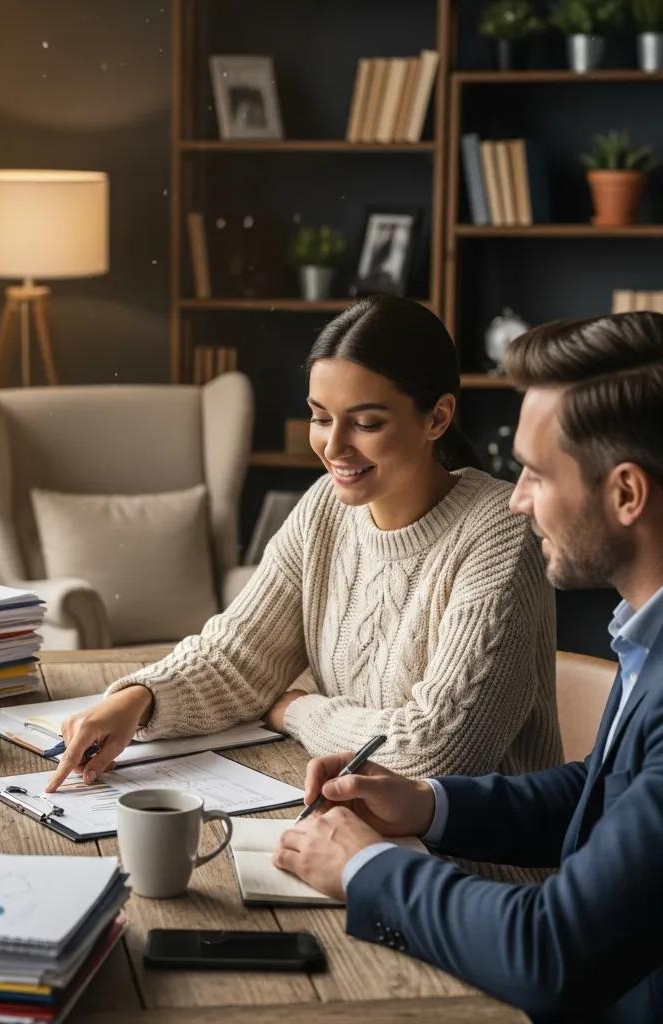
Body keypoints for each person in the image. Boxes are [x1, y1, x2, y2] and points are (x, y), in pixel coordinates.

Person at [273, 312, 663, 1023]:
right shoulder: (647, 635)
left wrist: (363, 866)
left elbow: (551, 952)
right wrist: (429, 803)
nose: (517, 498)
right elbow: (603, 791)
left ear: (626, 494)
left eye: (536, 473)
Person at [47, 296, 561, 798]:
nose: (334, 447)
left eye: (366, 423)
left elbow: (437, 752)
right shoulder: (325, 508)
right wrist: (139, 700)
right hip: (345, 812)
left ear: (437, 418)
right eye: (320, 417)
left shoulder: (501, 532)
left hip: (476, 844)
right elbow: (239, 656)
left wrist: (297, 710)